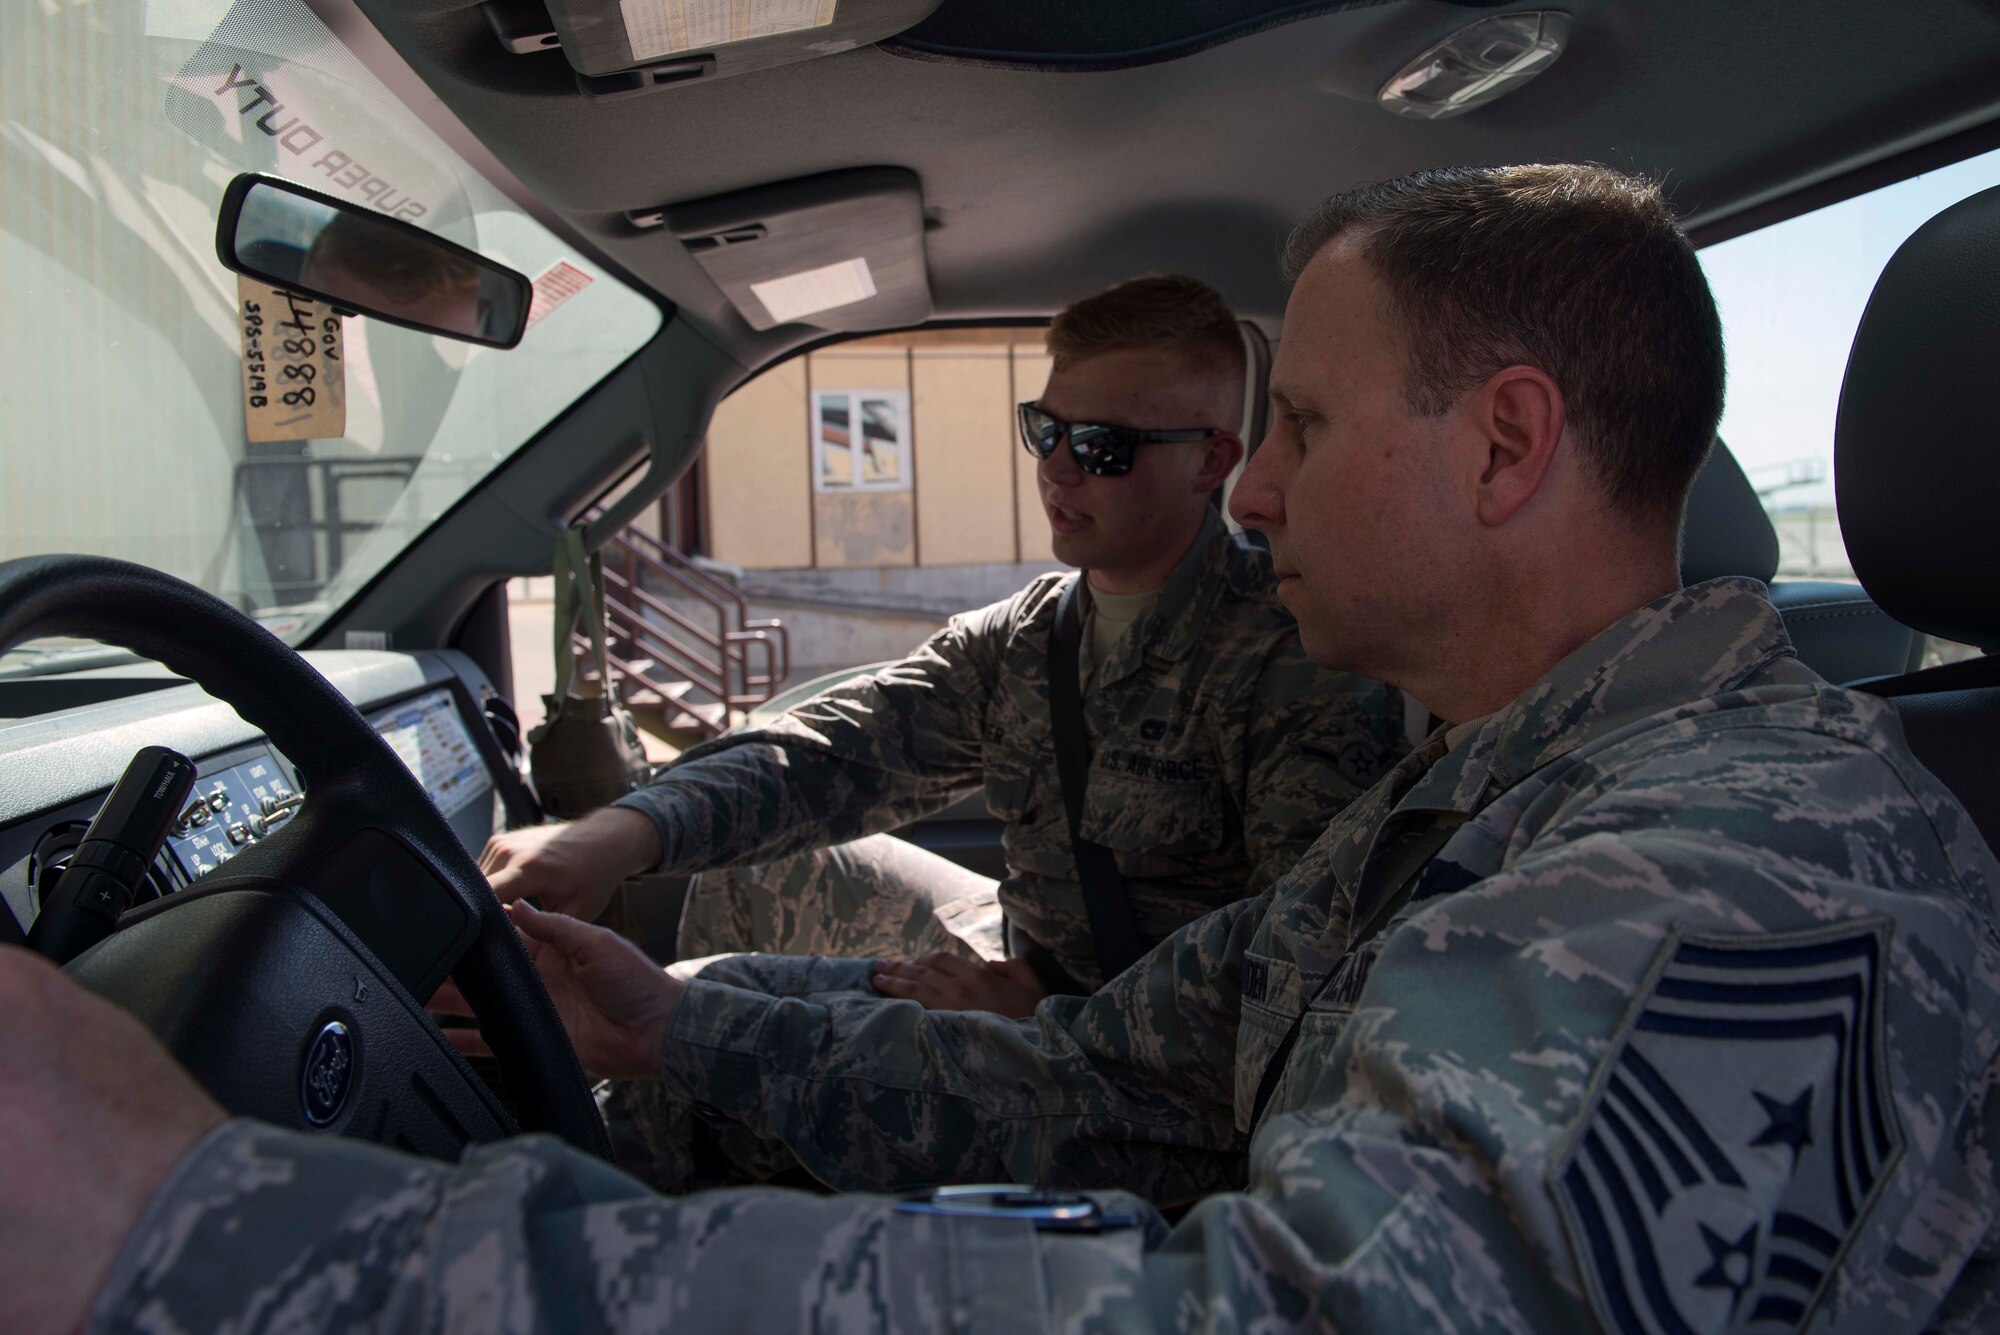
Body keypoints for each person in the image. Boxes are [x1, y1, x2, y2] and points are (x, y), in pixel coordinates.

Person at [10, 163, 1999, 1334]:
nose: (1255, 497)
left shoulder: (1730, 866)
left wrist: (197, 1231)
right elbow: (1113, 1080)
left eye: (1296, 426)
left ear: (1501, 444)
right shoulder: (1479, 792)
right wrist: (668, 1024)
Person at [483, 274, 1404, 1019]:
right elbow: (832, 751)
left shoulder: (1293, 659)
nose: (1056, 468)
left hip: (1116, 1063)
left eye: (1102, 446)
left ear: (1210, 461)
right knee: (743, 884)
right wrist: (609, 834)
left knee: (690, 1011)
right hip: (1020, 954)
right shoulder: (1031, 637)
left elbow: (1297, 975)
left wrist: (1052, 1017)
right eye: (1044, 430)